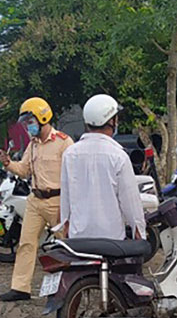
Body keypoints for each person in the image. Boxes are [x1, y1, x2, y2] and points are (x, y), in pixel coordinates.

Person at [0, 97, 74, 302]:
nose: (27, 126)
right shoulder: (33, 145)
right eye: (26, 122)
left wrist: (67, 206)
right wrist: (8, 164)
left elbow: (73, 177)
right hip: (35, 200)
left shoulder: (64, 143)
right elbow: (24, 170)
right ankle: (20, 288)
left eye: (30, 121)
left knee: (65, 246)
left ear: (42, 117)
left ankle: (69, 288)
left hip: (57, 201)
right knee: (26, 244)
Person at [60, 94, 146, 240]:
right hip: (111, 240)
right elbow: (130, 202)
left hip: (78, 239)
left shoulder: (70, 154)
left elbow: (66, 197)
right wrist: (139, 232)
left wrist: (66, 226)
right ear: (111, 121)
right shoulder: (118, 156)